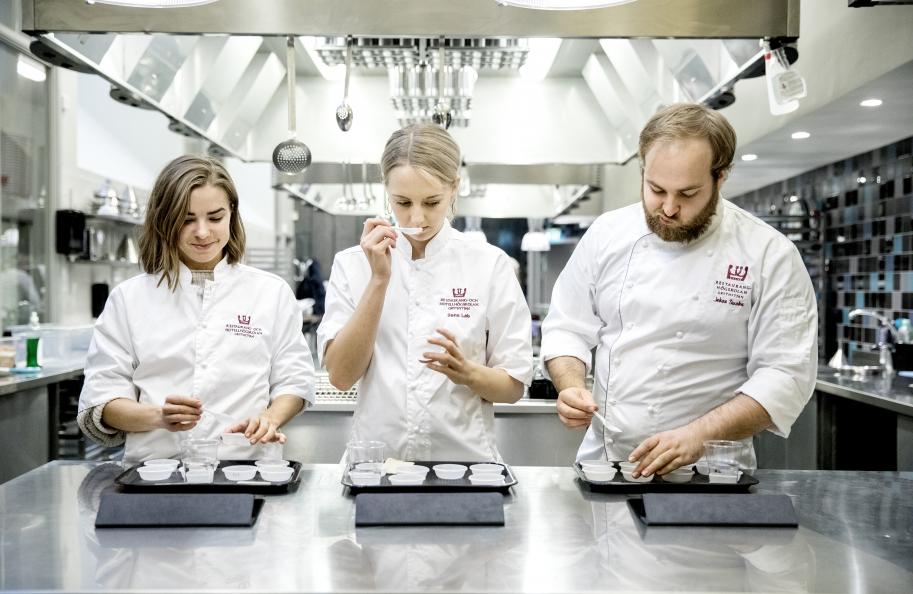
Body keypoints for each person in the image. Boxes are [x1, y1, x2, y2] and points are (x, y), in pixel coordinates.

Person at [541, 103, 817, 477]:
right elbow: (567, 327)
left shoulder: (768, 253)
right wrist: (570, 385)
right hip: (608, 468)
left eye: (687, 193)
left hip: (712, 475)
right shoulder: (608, 234)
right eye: (656, 190)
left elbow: (786, 374)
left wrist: (699, 436)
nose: (668, 208)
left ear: (720, 178)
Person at [78, 155, 314, 463]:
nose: (202, 232)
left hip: (246, 469)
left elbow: (295, 380)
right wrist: (157, 417)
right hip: (154, 475)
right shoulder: (129, 298)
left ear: (232, 214)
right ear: (164, 219)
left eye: (215, 218)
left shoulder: (270, 293)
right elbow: (102, 401)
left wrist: (270, 417)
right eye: (187, 219)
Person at [318, 123, 533, 462]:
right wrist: (378, 280)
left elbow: (513, 386)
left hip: (465, 467)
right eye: (402, 202)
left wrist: (469, 373)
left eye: (432, 202)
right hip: (375, 468)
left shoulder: (490, 265)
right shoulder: (352, 265)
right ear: (385, 191)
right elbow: (341, 377)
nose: (417, 217)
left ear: (454, 189)